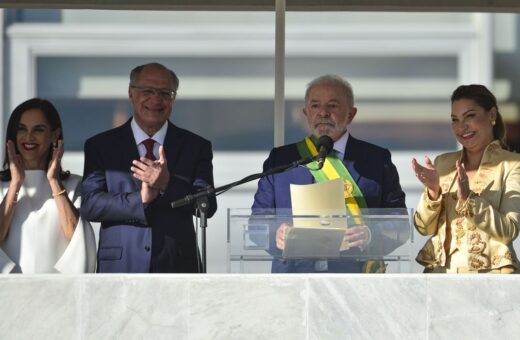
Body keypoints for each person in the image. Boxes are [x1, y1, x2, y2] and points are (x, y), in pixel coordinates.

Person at [252, 75, 407, 273]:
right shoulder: (281, 160)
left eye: (332, 106)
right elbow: (257, 223)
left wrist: (370, 235)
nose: (323, 113)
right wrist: (276, 234)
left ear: (351, 114)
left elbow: (400, 223)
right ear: (306, 113)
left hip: (354, 278)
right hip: (292, 278)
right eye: (315, 106)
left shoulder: (376, 160)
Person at [81, 62, 217, 273]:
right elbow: (90, 205)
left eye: (165, 92)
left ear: (173, 98)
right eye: (147, 91)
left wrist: (166, 184)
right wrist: (140, 200)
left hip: (177, 266)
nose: (156, 99)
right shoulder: (101, 146)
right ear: (131, 93)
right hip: (121, 266)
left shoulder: (195, 146)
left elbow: (207, 205)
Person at [413, 84, 520, 273]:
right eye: (455, 119)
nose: (461, 127)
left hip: (492, 278)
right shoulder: (443, 163)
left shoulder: (512, 164)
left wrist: (469, 199)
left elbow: (509, 230)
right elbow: (424, 228)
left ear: (492, 115)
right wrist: (432, 192)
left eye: (470, 116)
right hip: (441, 276)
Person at [0, 98, 96, 273]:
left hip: (57, 293)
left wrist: (53, 180)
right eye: (21, 129)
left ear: (54, 135)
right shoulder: (2, 186)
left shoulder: (74, 185)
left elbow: (78, 240)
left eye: (38, 129)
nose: (29, 137)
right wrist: (15, 184)